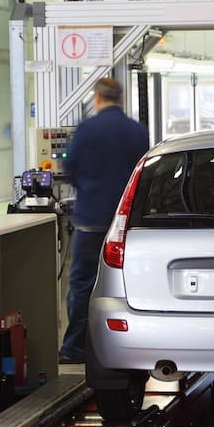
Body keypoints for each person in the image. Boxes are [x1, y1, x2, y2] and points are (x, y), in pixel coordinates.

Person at [59, 78, 149, 363]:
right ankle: (129, 346)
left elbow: (69, 168)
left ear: (97, 97)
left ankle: (76, 348)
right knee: (127, 284)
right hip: (126, 226)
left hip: (91, 222)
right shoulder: (137, 131)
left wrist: (88, 192)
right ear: (120, 98)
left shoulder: (87, 129)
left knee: (83, 285)